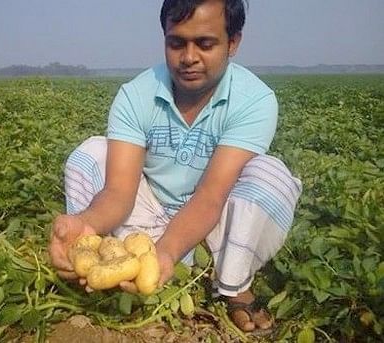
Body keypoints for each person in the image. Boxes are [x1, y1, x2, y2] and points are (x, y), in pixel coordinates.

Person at [48, 0, 302, 332]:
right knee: (90, 153)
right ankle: (119, 257)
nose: (189, 57)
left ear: (233, 43)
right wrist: (87, 222)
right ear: (164, 38)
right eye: (176, 42)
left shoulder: (254, 100)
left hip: (214, 216)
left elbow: (211, 196)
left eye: (206, 43)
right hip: (149, 213)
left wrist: (165, 251)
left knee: (271, 175)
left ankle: (233, 284)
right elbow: (118, 192)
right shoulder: (136, 95)